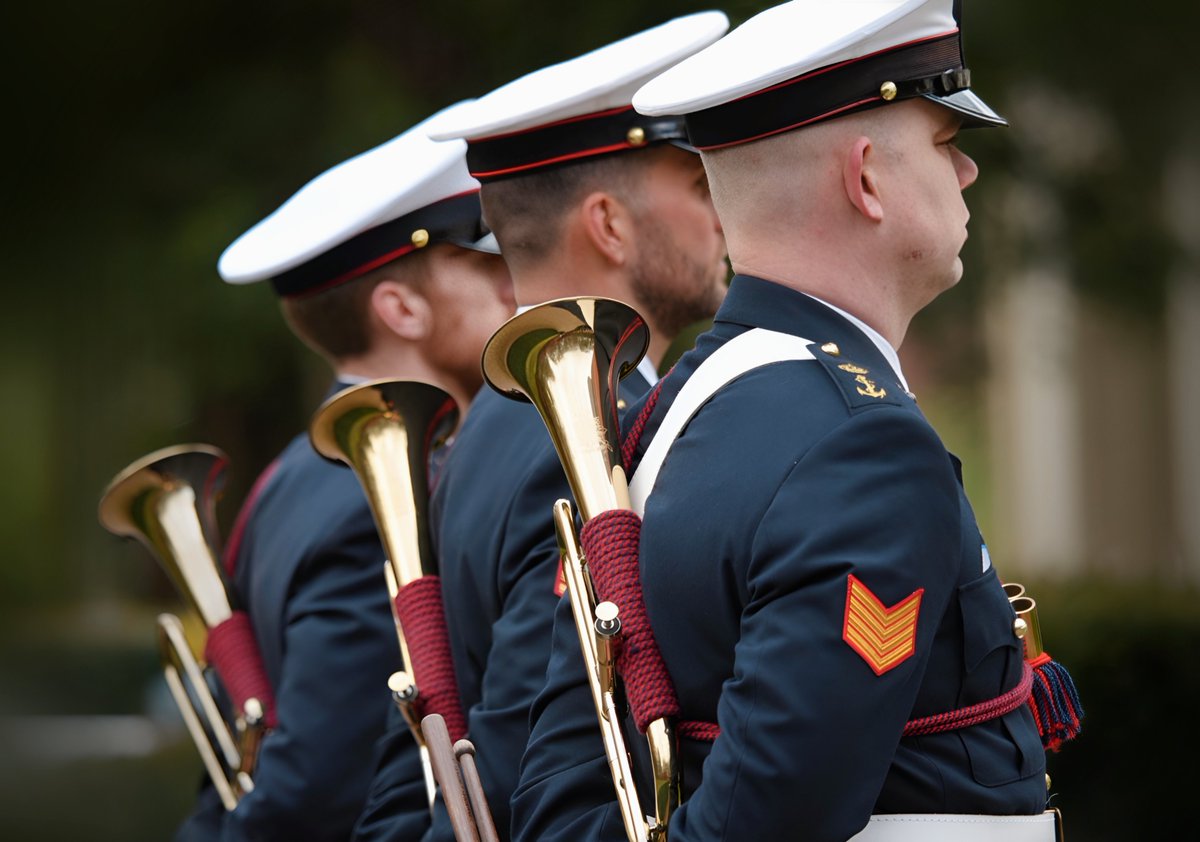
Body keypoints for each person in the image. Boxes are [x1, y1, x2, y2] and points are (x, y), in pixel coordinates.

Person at [513, 1, 1063, 840]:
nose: (967, 172)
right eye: (945, 143)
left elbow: (556, 806)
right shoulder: (865, 446)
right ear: (866, 179)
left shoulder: (661, 418)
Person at [352, 13, 730, 841]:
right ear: (609, 225)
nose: (722, 217)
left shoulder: (490, 423)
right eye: (700, 188)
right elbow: (529, 753)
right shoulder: (582, 433)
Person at [175, 105, 515, 842]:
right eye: (486, 263)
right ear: (402, 310)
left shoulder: (293, 476)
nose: (515, 283)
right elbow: (322, 786)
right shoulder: (374, 500)